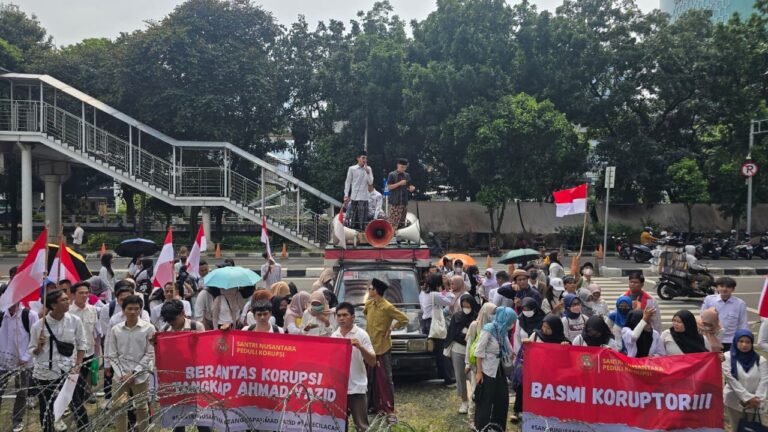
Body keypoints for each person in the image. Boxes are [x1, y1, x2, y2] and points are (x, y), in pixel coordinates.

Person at [28, 290, 87, 432]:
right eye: (64, 300)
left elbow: (82, 344)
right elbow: (32, 352)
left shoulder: (74, 321)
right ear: (53, 305)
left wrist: (78, 364)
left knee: (76, 403)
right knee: (46, 407)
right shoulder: (39, 326)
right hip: (45, 372)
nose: (68, 301)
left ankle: (85, 428)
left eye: (67, 299)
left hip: (68, 369)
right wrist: (38, 347)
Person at [107, 295, 155, 432]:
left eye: (136, 309)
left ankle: (143, 429)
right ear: (123, 310)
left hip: (140, 376)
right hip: (120, 376)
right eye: (129, 309)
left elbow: (149, 353)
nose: (133, 312)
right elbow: (112, 354)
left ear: (141, 310)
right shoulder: (116, 329)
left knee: (142, 407)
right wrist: (123, 374)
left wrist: (134, 373)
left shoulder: (148, 328)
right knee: (120, 407)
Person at [364, 278, 409, 418]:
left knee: (385, 379)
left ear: (376, 291)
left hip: (383, 347)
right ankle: (371, 405)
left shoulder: (387, 306)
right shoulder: (369, 304)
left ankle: (389, 408)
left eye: (371, 288)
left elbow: (404, 319)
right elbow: (366, 315)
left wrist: (392, 327)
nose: (369, 290)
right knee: (369, 378)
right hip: (369, 346)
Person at [331, 302, 376, 432]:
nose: (341, 318)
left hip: (357, 387)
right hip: (339, 389)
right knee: (338, 426)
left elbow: (372, 361)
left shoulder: (361, 335)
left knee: (362, 427)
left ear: (353, 317)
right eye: (339, 315)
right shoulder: (334, 336)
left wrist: (360, 347)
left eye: (345, 315)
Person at [473, 307, 517, 432]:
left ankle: (498, 427)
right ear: (504, 319)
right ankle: (481, 428)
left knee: (502, 398)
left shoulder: (502, 330)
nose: (511, 325)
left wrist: (513, 354)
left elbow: (508, 347)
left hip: (499, 369)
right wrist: (479, 372)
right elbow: (479, 352)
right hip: (487, 370)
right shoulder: (489, 329)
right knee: (485, 402)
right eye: (510, 321)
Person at [0, 300, 39, 432]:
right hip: (3, 362)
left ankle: (17, 420)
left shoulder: (29, 315)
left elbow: (36, 338)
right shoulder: (2, 315)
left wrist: (26, 357)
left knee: (22, 392)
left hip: (23, 362)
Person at [68, 281, 98, 430]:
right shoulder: (67, 312)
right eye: (81, 293)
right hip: (72, 358)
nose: (85, 296)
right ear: (73, 295)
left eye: (87, 293)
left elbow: (95, 333)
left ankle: (80, 418)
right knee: (75, 391)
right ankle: (83, 421)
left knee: (81, 389)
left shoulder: (92, 310)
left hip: (89, 354)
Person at [722, 330, 768, 428]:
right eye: (741, 341)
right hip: (734, 401)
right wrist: (747, 398)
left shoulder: (760, 360)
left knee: (755, 428)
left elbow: (764, 381)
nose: (744, 345)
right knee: (737, 427)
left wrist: (757, 399)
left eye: (748, 342)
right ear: (735, 341)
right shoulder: (727, 357)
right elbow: (730, 379)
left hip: (756, 403)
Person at [446, 294, 479, 414]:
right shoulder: (457, 316)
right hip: (458, 350)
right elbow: (452, 332)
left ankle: (475, 399)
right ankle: (464, 401)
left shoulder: (477, 317)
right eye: (463, 304)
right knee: (460, 376)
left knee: (474, 376)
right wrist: (464, 337)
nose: (466, 306)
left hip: (472, 352)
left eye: (468, 304)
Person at [419, 273, 454, 385]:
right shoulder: (434, 295)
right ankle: (448, 378)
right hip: (434, 324)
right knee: (443, 351)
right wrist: (447, 288)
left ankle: (441, 374)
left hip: (426, 323)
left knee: (436, 351)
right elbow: (450, 300)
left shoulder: (422, 293)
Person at [465, 302, 496, 418]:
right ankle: (472, 418)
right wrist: (467, 363)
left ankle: (484, 417)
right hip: (476, 365)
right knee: (475, 391)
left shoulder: (495, 326)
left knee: (487, 393)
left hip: (489, 366)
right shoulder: (475, 325)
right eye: (492, 313)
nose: (494, 315)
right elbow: (469, 345)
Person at [701, 276, 748, 351]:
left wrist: (743, 340)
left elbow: (743, 324)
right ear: (717, 288)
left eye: (728, 287)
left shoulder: (740, 303)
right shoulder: (709, 300)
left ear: (733, 289)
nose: (724, 289)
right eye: (721, 286)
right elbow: (702, 318)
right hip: (712, 339)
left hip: (731, 340)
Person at [343, 150, 374, 230]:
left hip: (364, 197)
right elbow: (348, 182)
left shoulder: (369, 169)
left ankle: (362, 232)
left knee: (363, 219)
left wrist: (367, 172)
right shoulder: (352, 168)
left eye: (366, 158)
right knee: (354, 217)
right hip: (354, 197)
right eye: (363, 158)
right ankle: (353, 233)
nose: (364, 160)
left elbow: (370, 182)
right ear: (358, 158)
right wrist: (346, 195)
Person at [387, 158, 415, 229]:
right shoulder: (392, 174)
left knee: (402, 222)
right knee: (393, 222)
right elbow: (389, 187)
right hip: (395, 202)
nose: (403, 169)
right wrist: (399, 183)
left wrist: (411, 188)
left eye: (404, 167)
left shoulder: (407, 175)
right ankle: (391, 237)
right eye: (402, 167)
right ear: (398, 165)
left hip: (404, 202)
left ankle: (400, 237)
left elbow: (408, 186)